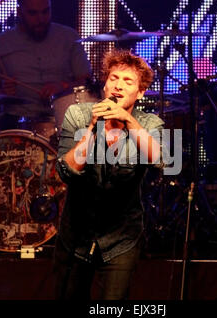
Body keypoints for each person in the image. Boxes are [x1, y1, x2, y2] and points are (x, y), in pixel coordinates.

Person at [53, 49, 165, 300]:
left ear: (140, 92)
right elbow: (65, 172)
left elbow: (163, 161)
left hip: (121, 239)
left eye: (128, 81)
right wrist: (92, 128)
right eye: (114, 78)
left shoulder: (149, 124)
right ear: (104, 85)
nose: (118, 85)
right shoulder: (77, 115)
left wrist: (128, 121)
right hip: (75, 237)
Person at [0, 0, 93, 138]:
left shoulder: (69, 37)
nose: (41, 19)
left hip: (63, 121)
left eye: (45, 12)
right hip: (16, 123)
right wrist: (4, 92)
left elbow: (87, 82)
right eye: (33, 13)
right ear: (19, 12)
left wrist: (63, 86)